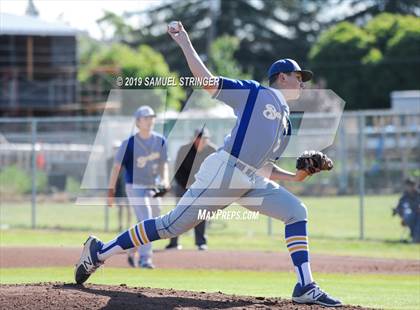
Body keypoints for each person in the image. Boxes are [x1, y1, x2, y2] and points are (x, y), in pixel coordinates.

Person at [75, 22, 342, 307]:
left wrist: (297, 176)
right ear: (282, 77)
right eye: (299, 76)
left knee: (296, 211)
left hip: (252, 181)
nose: (303, 82)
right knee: (169, 227)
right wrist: (185, 43)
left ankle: (305, 285)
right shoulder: (255, 93)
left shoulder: (287, 123)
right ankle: (99, 252)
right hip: (224, 173)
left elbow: (264, 166)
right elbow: (208, 81)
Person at [106, 105, 170, 268]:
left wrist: (165, 181)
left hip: (153, 186)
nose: (150, 121)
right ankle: (145, 258)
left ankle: (131, 248)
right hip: (135, 186)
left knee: (154, 220)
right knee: (147, 218)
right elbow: (116, 168)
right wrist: (111, 190)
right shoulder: (128, 143)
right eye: (146, 118)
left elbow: (164, 164)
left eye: (151, 118)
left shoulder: (160, 140)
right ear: (138, 122)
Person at [165, 127, 217, 251]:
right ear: (194, 139)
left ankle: (201, 242)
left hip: (203, 188)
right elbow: (178, 171)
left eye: (205, 138)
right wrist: (188, 187)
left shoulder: (213, 150)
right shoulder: (184, 149)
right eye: (200, 138)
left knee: (201, 214)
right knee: (178, 215)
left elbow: (215, 171)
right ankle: (174, 242)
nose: (202, 141)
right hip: (184, 186)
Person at [393, 178, 420, 243]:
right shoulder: (405, 196)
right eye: (408, 185)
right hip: (411, 216)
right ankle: (415, 237)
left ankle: (416, 238)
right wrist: (400, 214)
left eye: (412, 185)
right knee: (410, 217)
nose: (410, 187)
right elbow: (399, 207)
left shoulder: (418, 194)